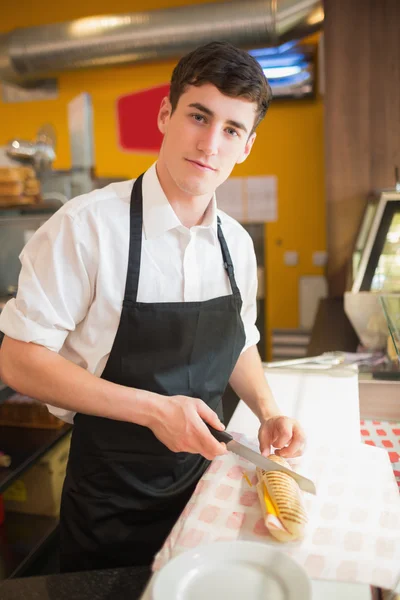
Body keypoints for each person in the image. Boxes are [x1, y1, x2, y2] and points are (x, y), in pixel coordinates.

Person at [0, 41, 305, 573]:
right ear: (166, 114)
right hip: (108, 508)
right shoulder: (86, 227)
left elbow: (240, 340)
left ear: (247, 145)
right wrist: (155, 410)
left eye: (231, 129)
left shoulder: (236, 242)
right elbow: (20, 360)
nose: (210, 143)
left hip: (204, 492)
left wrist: (268, 409)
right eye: (198, 116)